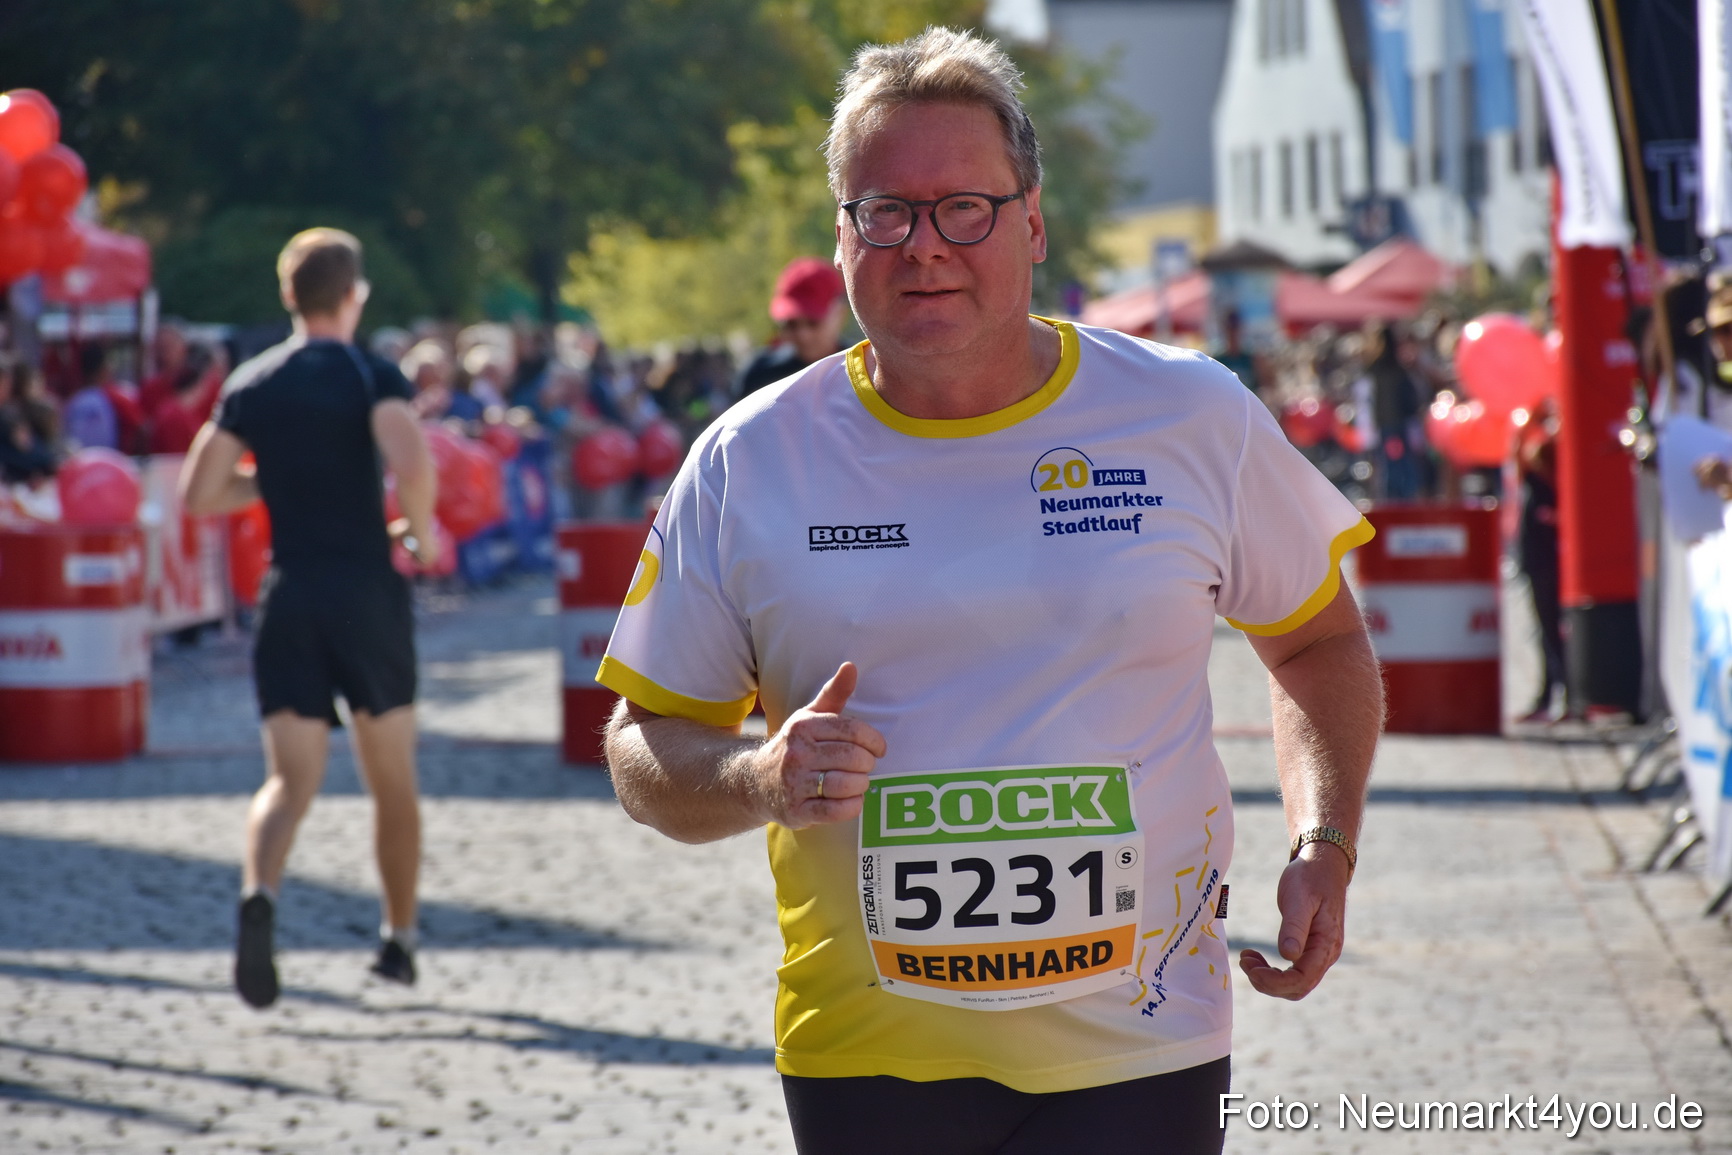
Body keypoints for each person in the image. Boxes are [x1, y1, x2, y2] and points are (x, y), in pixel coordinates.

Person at [599, 28, 1381, 1155]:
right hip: (868, 1053)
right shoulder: (748, 459)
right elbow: (643, 752)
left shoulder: (1188, 416)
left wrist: (1323, 843)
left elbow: (1318, 648)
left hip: (1144, 1038)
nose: (926, 248)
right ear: (842, 233)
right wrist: (760, 777)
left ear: (1030, 222)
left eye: (964, 206)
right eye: (886, 213)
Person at [179, 227, 438, 1009]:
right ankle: (398, 938)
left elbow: (199, 492)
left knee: (288, 782)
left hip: (288, 595)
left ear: (288, 296)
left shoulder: (253, 383)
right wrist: (421, 535)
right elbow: (412, 458)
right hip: (364, 592)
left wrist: (273, 482)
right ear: (353, 294)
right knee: (392, 781)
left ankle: (260, 893)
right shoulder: (370, 374)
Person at [734, 256, 849, 400]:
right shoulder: (761, 374)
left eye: (813, 322)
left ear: (840, 313)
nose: (803, 335)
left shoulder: (865, 371)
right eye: (791, 324)